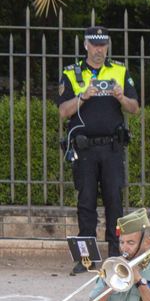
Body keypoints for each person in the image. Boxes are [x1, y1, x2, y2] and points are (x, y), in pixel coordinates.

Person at [57, 26, 140, 268]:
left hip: (112, 148)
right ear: (85, 46)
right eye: (94, 45)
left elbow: (134, 107)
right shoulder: (71, 73)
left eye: (103, 45)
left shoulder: (119, 70)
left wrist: (121, 97)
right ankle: (86, 257)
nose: (99, 50)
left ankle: (116, 255)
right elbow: (63, 111)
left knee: (115, 201)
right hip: (84, 150)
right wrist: (84, 96)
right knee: (86, 202)